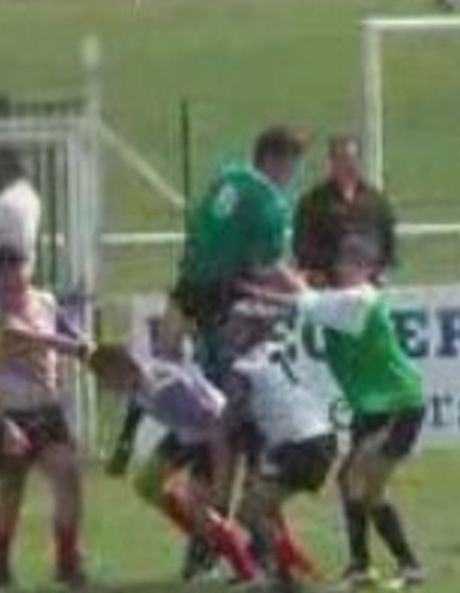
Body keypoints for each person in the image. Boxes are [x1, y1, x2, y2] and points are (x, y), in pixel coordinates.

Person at [107, 126, 307, 475]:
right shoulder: (269, 202)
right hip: (223, 295)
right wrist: (304, 292)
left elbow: (205, 222)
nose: (292, 175)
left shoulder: (229, 175)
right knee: (227, 385)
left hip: (189, 282)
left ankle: (128, 436)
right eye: (292, 165)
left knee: (159, 364)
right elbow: (265, 265)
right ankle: (227, 466)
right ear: (275, 161)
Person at [244, 235, 426, 590]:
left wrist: (274, 269)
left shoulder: (361, 299)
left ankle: (387, 566)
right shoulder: (339, 301)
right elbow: (305, 303)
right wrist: (265, 293)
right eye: (345, 260)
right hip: (369, 408)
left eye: (357, 263)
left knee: (357, 481)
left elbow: (307, 302)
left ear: (370, 270)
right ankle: (379, 567)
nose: (347, 267)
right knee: (358, 486)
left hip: (397, 403)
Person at [0, 246, 92, 588]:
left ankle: (67, 560)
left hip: (47, 408)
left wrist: (84, 343)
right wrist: (4, 426)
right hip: (9, 415)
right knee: (12, 490)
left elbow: (65, 330)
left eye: (18, 272)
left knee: (68, 476)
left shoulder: (44, 302)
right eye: (4, 277)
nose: (13, 282)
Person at [90, 343, 259, 584]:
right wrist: (123, 448)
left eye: (103, 379)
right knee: (146, 484)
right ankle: (206, 537)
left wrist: (221, 482)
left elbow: (215, 427)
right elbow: (136, 406)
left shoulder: (167, 390)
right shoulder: (137, 379)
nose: (104, 387)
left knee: (197, 506)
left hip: (217, 433)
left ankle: (246, 568)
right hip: (187, 432)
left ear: (118, 370)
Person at [221, 300, 337, 588]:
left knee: (250, 511)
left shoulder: (241, 369)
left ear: (252, 331)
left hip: (297, 445)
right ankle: (281, 572)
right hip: (322, 438)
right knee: (263, 505)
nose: (229, 331)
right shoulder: (277, 350)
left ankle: (281, 576)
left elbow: (230, 418)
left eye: (236, 325)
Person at [293, 135, 396, 285]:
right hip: (328, 284)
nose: (348, 164)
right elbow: (301, 245)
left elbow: (388, 240)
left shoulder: (376, 200)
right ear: (332, 163)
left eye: (352, 159)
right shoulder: (313, 202)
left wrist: (382, 271)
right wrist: (317, 273)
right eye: (342, 159)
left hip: (369, 283)